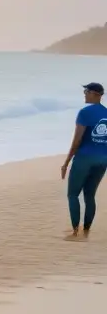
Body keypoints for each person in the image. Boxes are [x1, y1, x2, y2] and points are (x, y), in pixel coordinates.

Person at [60, 82, 107, 241]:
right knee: (90, 196)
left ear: (95, 94)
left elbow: (76, 141)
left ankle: (75, 231)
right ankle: (86, 230)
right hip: (102, 159)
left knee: (73, 194)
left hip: (84, 158)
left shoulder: (84, 113)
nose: (84, 94)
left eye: (86, 91)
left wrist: (66, 162)